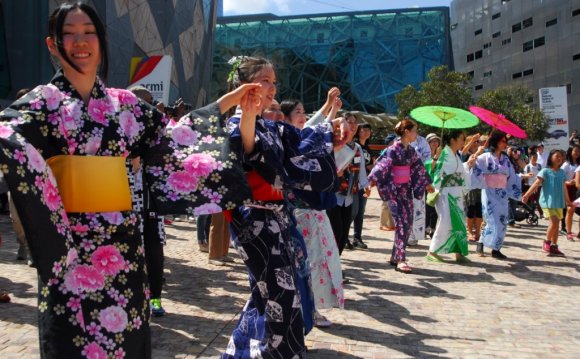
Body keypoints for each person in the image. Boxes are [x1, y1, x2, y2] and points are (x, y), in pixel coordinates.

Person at [0, 3, 258, 357]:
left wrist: (227, 103)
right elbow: (6, 135)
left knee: (126, 340)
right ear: (52, 44)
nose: (80, 41)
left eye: (88, 31)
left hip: (121, 247)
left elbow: (175, 140)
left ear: (101, 40)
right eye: (69, 33)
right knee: (69, 342)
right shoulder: (43, 102)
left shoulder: (125, 104)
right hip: (68, 250)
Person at [222, 56, 341, 358]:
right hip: (253, 219)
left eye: (274, 82)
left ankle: (241, 351)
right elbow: (246, 146)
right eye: (265, 80)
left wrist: (333, 138)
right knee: (282, 295)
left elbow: (301, 145)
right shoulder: (238, 121)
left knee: (268, 294)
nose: (272, 88)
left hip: (277, 217)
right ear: (244, 84)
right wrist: (248, 113)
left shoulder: (270, 125)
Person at [281, 95, 344, 328]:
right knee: (304, 264)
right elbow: (316, 131)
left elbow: (316, 129)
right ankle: (305, 309)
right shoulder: (288, 140)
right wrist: (330, 112)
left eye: (303, 110)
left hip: (315, 212)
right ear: (286, 118)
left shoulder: (301, 136)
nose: (303, 115)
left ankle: (313, 308)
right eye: (298, 111)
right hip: (296, 213)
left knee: (320, 260)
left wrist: (330, 109)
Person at [368, 119, 434, 273]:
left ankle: (395, 256)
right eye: (414, 131)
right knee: (402, 224)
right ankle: (401, 258)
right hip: (394, 191)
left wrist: (427, 183)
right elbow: (382, 166)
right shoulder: (392, 150)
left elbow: (419, 168)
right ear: (406, 132)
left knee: (408, 223)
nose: (416, 134)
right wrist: (370, 181)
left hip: (406, 191)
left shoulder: (411, 151)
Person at [469, 130, 522, 259]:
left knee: (502, 222)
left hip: (502, 194)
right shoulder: (485, 157)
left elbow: (512, 176)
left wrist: (522, 177)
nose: (505, 143)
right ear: (496, 142)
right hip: (489, 191)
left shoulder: (506, 159)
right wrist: (476, 156)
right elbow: (473, 167)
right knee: (491, 219)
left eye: (506, 141)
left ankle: (496, 249)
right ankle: (481, 242)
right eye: (503, 141)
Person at [425, 130, 473, 263]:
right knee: (445, 221)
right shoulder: (444, 153)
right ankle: (432, 251)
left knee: (459, 222)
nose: (463, 142)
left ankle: (459, 251)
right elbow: (432, 169)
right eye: (461, 139)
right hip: (446, 192)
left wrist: (468, 164)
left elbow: (459, 171)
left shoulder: (454, 155)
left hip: (456, 192)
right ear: (452, 140)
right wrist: (436, 158)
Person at [327, 112, 369, 253]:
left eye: (354, 122)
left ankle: (337, 264)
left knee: (344, 233)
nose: (352, 125)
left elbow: (361, 169)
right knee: (336, 230)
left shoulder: (357, 148)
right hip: (334, 195)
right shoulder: (335, 143)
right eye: (349, 121)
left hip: (350, 196)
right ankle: (331, 264)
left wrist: (366, 185)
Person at [523, 149, 570, 256]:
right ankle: (547, 242)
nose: (559, 158)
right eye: (556, 156)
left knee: (556, 224)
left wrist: (568, 201)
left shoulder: (562, 172)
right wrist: (527, 195)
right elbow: (536, 183)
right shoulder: (545, 171)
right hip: (547, 202)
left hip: (559, 202)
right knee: (554, 222)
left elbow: (564, 187)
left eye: (561, 157)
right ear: (550, 158)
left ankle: (554, 246)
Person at [350, 122, 373, 249]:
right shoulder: (355, 146)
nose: (365, 132)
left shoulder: (368, 148)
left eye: (368, 130)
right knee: (352, 212)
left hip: (364, 182)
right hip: (353, 183)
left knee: (360, 212)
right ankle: (345, 237)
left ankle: (357, 237)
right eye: (363, 129)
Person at [408, 125, 432, 246]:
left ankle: (414, 236)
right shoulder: (399, 141)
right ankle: (405, 235)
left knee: (417, 206)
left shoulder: (422, 141)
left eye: (415, 129)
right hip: (404, 177)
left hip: (418, 176)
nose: (414, 132)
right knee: (406, 207)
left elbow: (428, 158)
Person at [461, 134, 484, 243]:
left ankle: (478, 233)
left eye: (478, 142)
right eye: (475, 142)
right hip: (469, 187)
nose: (477, 144)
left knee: (479, 211)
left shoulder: (482, 155)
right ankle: (469, 232)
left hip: (480, 186)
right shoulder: (466, 155)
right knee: (470, 210)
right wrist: (472, 140)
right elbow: (464, 152)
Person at [560, 144, 580, 240]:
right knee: (570, 210)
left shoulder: (578, 164)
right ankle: (568, 231)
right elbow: (561, 178)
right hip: (568, 189)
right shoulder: (566, 164)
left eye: (578, 151)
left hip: (577, 190)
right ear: (570, 152)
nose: (577, 153)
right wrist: (568, 182)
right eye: (575, 151)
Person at [424, 133, 441, 238]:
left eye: (436, 141)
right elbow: (429, 167)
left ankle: (433, 228)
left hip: (438, 183)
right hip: (427, 182)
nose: (435, 143)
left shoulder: (442, 155)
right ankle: (425, 227)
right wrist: (435, 157)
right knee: (427, 207)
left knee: (435, 208)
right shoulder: (425, 154)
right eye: (432, 141)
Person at [379, 134, 396, 231]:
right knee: (385, 202)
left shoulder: (394, 151)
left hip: (393, 179)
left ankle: (390, 223)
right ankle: (383, 223)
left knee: (392, 202)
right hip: (386, 179)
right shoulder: (386, 151)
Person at [523, 152, 543, 218]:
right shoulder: (527, 166)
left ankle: (541, 213)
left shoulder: (539, 166)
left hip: (539, 185)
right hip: (530, 185)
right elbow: (525, 176)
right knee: (531, 200)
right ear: (530, 158)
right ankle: (531, 213)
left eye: (536, 157)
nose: (535, 159)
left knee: (539, 200)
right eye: (533, 157)